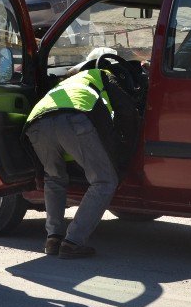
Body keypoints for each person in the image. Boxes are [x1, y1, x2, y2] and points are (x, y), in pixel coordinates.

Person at [23, 66, 140, 259]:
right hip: (74, 119)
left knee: (54, 178)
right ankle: (73, 242)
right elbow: (126, 111)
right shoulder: (102, 75)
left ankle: (53, 238)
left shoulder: (66, 83)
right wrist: (124, 149)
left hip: (37, 122)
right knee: (104, 181)